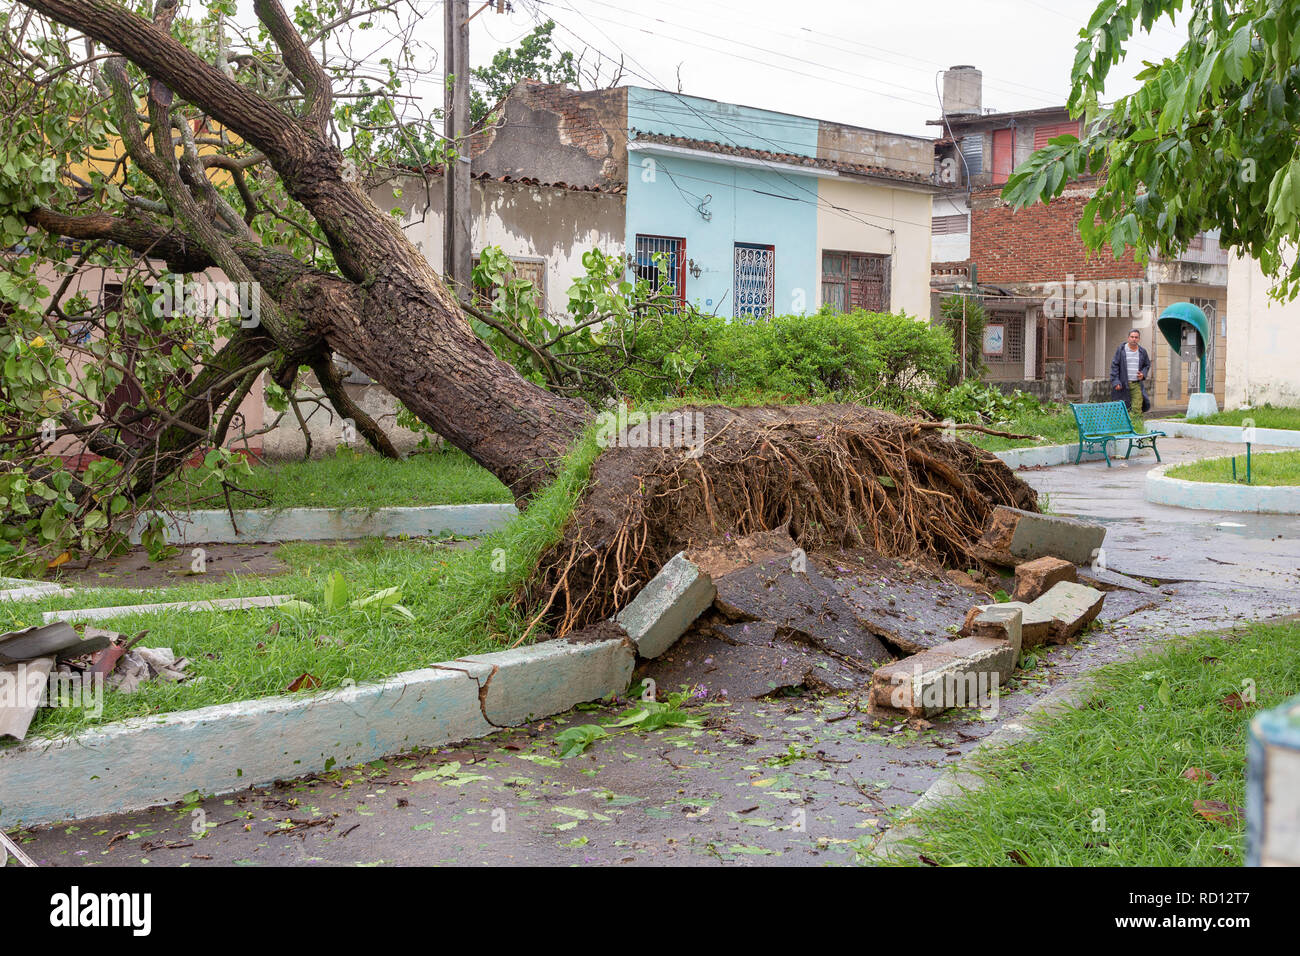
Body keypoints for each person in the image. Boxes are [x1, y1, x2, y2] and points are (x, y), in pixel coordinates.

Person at [1110, 328, 1151, 427]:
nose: (1134, 339)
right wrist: (1116, 381)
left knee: (1137, 407)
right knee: (1123, 408)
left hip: (1136, 384)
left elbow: (1147, 365)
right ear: (1128, 338)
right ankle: (1123, 427)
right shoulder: (1121, 350)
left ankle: (1137, 427)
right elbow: (1114, 366)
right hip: (1123, 385)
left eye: (1136, 337)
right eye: (1132, 337)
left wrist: (1143, 374)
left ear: (1139, 339)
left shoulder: (1142, 351)